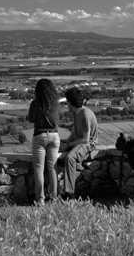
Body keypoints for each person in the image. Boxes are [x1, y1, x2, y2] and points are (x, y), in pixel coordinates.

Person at [58, 86, 98, 198]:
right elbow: (74, 132)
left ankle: (69, 193)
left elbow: (85, 139)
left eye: (67, 102)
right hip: (79, 141)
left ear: (71, 103)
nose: (67, 105)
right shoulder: (76, 113)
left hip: (89, 143)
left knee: (70, 157)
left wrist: (69, 145)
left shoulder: (85, 115)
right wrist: (65, 142)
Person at [27, 78, 61, 206]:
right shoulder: (56, 104)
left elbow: (31, 119)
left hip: (40, 136)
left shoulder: (35, 104)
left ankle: (40, 199)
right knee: (53, 168)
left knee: (39, 169)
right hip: (54, 136)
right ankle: (54, 197)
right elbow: (57, 121)